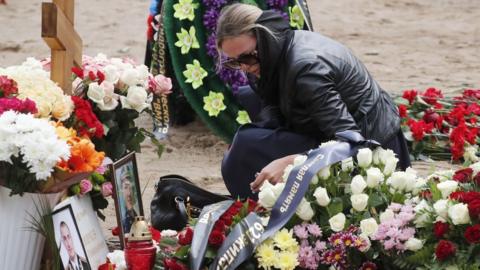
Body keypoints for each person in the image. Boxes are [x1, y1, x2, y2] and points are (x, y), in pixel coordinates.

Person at [216, 3, 411, 199]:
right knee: (251, 118)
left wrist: (291, 161)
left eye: (247, 58)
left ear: (265, 38)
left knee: (246, 146)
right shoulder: (270, 53)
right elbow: (271, 104)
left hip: (373, 149)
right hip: (336, 131)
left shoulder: (306, 70)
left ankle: (268, 207)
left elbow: (352, 143)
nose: (244, 68)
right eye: (235, 62)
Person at [119, 167, 138, 234]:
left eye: (131, 188)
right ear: (121, 190)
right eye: (126, 187)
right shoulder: (123, 219)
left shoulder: (135, 212)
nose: (129, 193)